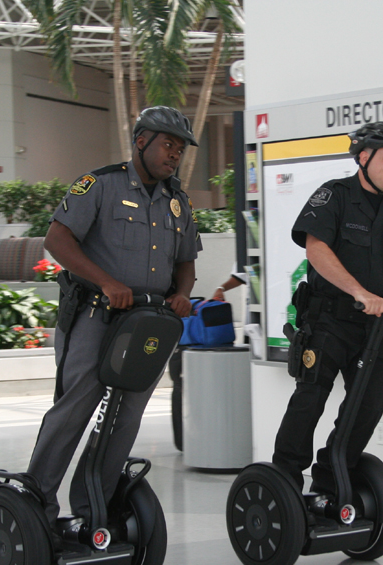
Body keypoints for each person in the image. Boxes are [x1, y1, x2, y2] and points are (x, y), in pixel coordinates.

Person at [27, 106, 201, 524]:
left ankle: (93, 506)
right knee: (76, 407)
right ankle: (36, 502)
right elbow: (57, 239)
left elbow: (186, 261)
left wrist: (181, 294)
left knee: (127, 417)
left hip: (147, 324)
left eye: (179, 149)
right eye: (167, 145)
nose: (174, 154)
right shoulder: (99, 185)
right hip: (94, 314)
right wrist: (106, 282)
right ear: (141, 141)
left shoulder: (177, 203)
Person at [272, 121, 383, 492]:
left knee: (368, 405)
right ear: (364, 158)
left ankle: (332, 479)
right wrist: (358, 291)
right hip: (328, 317)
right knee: (310, 398)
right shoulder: (335, 196)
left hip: (377, 326)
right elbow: (316, 249)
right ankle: (283, 479)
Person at [168, 268, 248, 451]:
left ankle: (184, 441)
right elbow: (241, 274)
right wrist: (221, 288)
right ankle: (185, 441)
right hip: (192, 343)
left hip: (184, 342)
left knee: (181, 388)